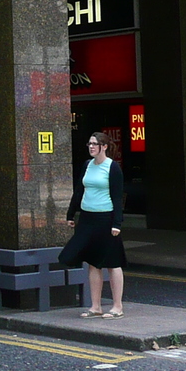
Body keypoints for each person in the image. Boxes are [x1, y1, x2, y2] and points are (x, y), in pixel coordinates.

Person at [64, 132, 127, 318]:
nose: (91, 147)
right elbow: (79, 191)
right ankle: (96, 306)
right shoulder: (87, 165)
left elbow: (117, 197)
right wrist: (71, 213)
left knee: (112, 263)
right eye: (89, 143)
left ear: (104, 147)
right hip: (87, 218)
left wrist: (117, 223)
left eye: (95, 144)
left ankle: (117, 307)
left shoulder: (112, 167)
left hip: (105, 218)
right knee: (93, 263)